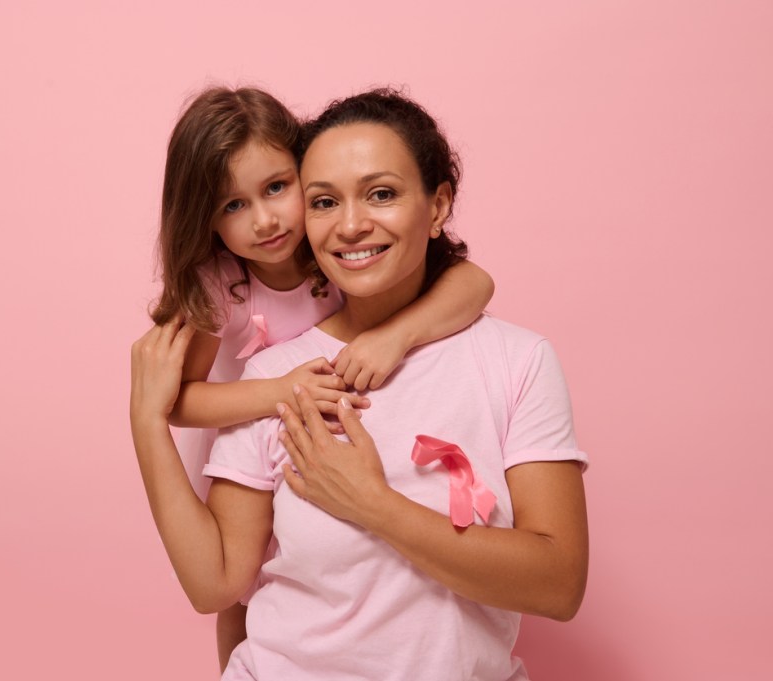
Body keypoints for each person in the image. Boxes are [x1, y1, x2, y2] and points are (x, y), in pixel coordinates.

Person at [130, 89, 588, 680]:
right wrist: (148, 419)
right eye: (325, 200)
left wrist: (371, 501)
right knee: (245, 603)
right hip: (246, 437)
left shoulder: (515, 358)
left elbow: (560, 586)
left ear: (439, 205)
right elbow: (217, 583)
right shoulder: (260, 347)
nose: (350, 225)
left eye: (382, 193)